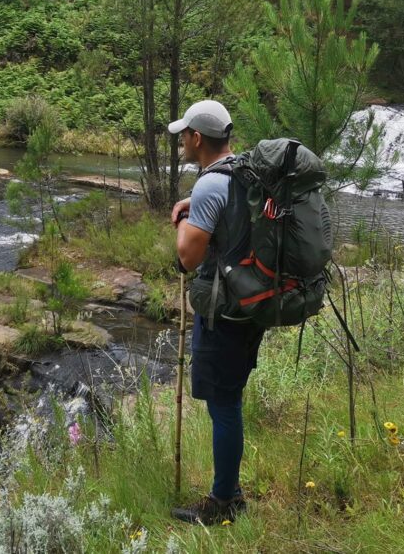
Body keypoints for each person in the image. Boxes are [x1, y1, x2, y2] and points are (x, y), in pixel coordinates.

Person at [167, 99, 267, 526]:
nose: (182, 144)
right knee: (231, 398)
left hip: (224, 312)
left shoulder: (211, 185)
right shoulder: (245, 169)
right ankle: (231, 489)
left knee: (223, 405)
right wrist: (196, 201)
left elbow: (188, 257)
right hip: (251, 304)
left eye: (184, 136)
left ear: (196, 138)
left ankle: (224, 501)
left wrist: (183, 226)